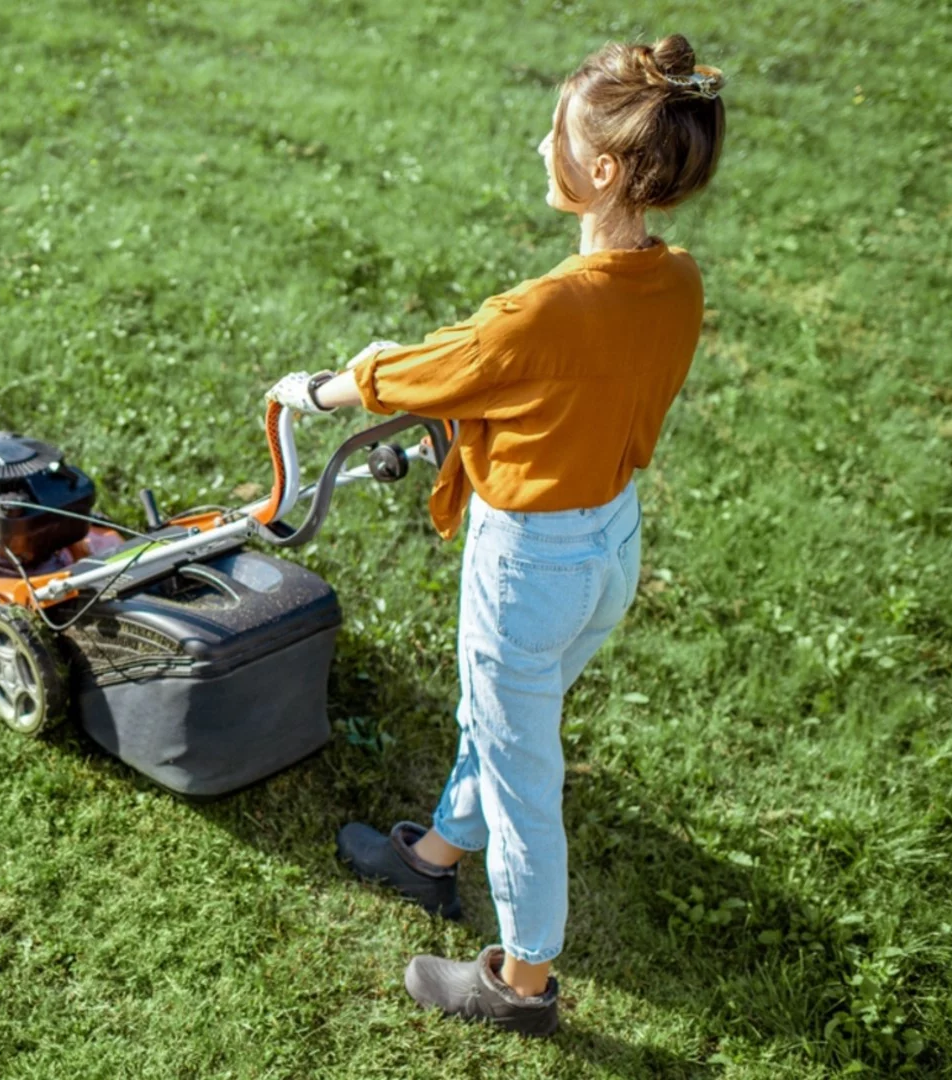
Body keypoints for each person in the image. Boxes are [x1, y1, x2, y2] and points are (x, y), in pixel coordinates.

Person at [265, 35, 727, 1037]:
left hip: (531, 564)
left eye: (554, 134)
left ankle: (520, 984)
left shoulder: (542, 314)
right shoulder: (676, 281)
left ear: (601, 170)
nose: (540, 145)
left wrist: (312, 391)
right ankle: (431, 860)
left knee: (525, 775)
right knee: (501, 716)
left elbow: (444, 366)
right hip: (609, 550)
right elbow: (547, 378)